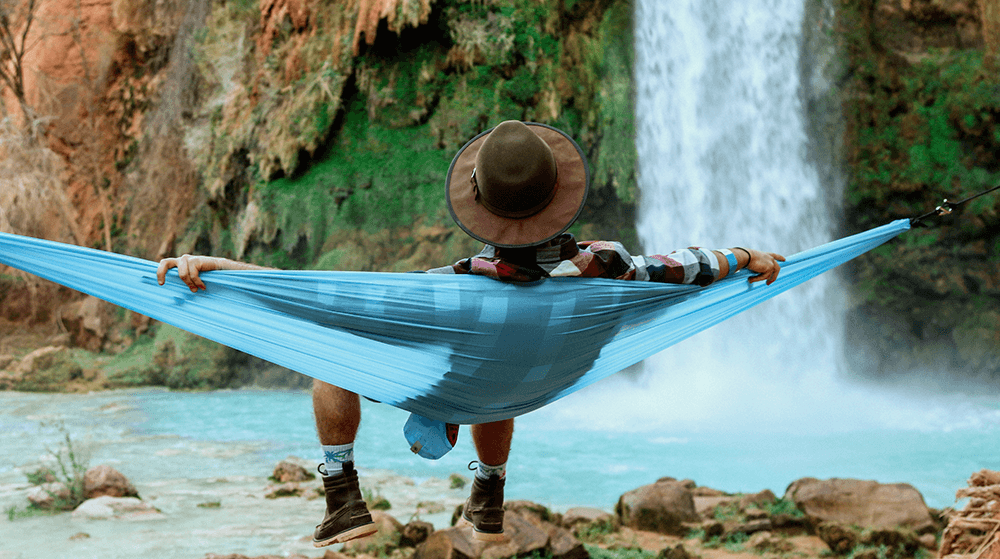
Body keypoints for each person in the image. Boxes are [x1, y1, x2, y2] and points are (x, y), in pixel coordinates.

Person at [157, 120, 784, 546]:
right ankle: (488, 499)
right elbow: (684, 267)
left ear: (481, 208)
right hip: (530, 386)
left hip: (471, 378)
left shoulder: (451, 290)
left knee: (334, 356)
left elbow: (316, 299)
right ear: (560, 198)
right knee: (498, 377)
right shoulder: (614, 267)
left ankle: (343, 495)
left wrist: (224, 272)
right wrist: (743, 254)